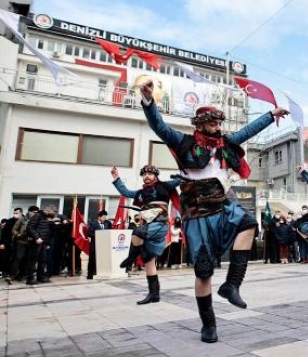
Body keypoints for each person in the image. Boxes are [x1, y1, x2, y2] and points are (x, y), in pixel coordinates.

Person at [140, 79, 289, 343]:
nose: (218, 127)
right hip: (197, 211)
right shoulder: (183, 142)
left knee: (248, 224)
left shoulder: (225, 143)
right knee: (204, 270)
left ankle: (231, 285)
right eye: (212, 124)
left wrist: (271, 115)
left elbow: (248, 130)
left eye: (219, 123)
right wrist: (149, 102)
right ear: (199, 124)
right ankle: (208, 325)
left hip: (222, 202)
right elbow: (159, 126)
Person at [112, 165, 181, 303]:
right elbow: (125, 192)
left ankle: (130, 258)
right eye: (144, 174)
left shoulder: (165, 186)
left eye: (149, 173)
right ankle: (154, 294)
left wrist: (187, 165)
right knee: (149, 261)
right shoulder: (141, 192)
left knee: (137, 232)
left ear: (155, 175)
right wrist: (116, 178)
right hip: (148, 226)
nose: (146, 176)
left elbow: (181, 178)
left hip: (160, 225)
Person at [87, 210, 112, 280]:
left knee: (102, 259)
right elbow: (89, 233)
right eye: (103, 217)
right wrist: (98, 235)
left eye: (105, 217)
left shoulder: (107, 223)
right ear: (99, 217)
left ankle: (101, 273)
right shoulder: (93, 223)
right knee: (92, 260)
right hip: (94, 245)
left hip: (104, 245)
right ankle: (90, 275)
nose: (104, 219)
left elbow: (110, 231)